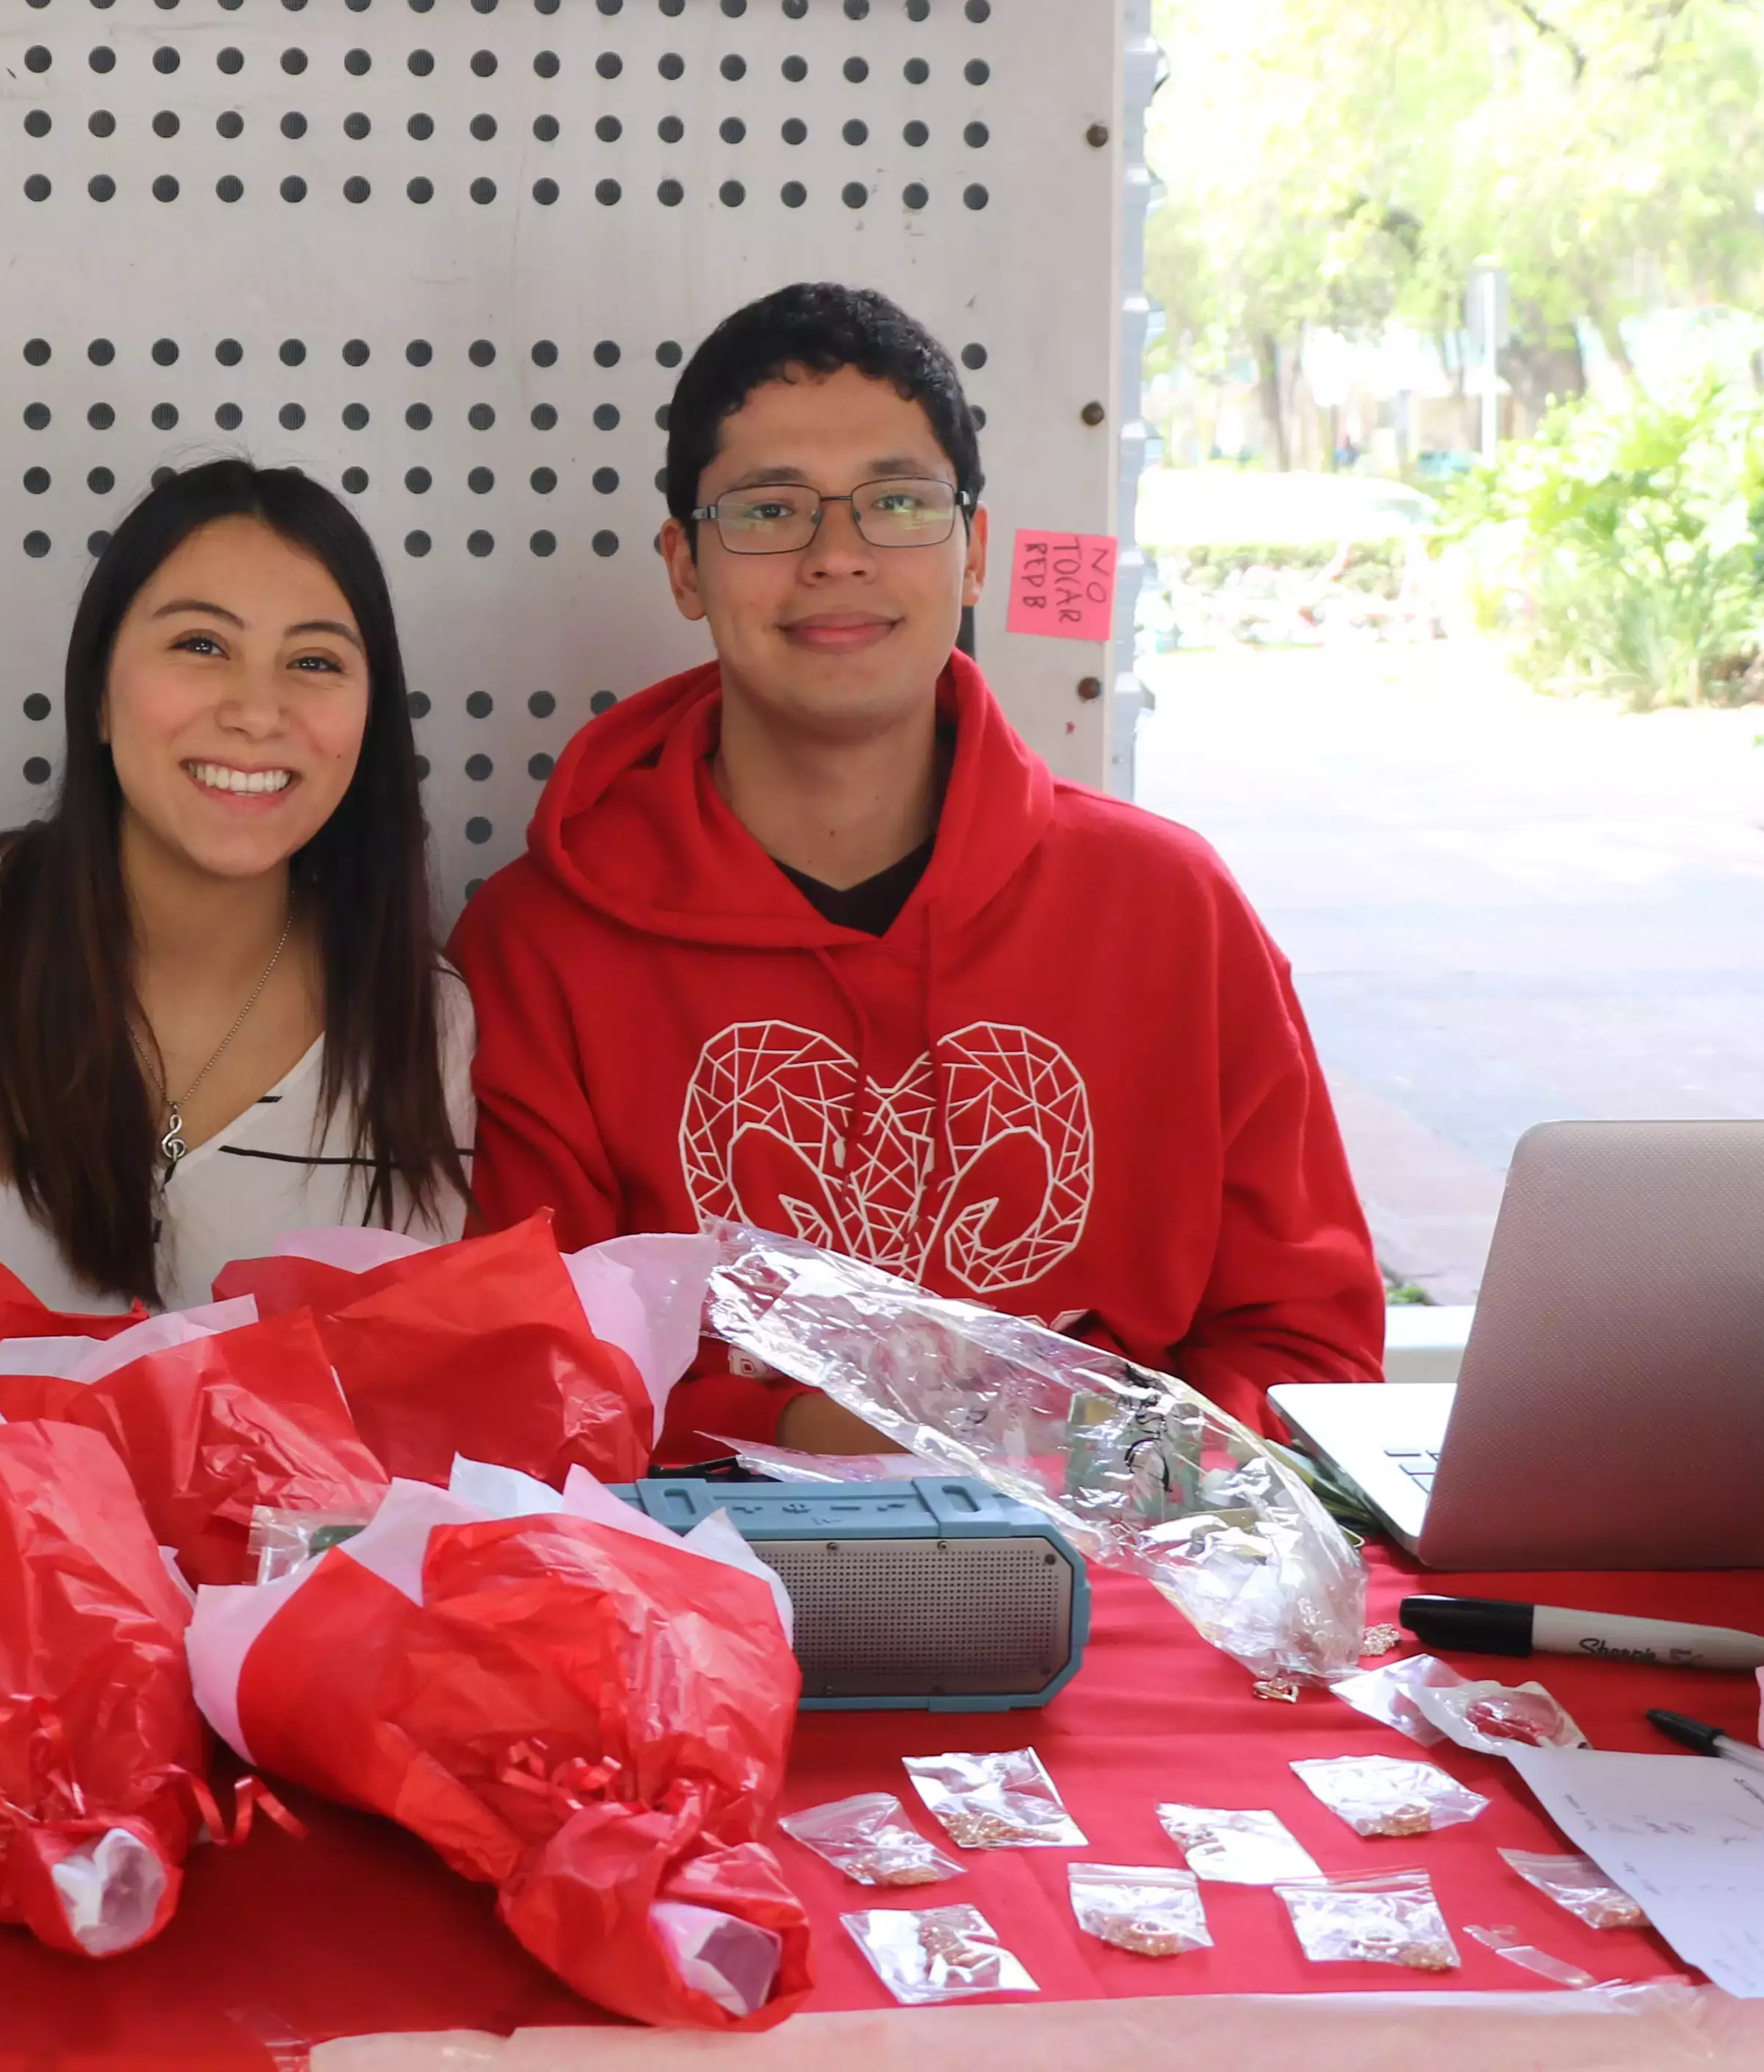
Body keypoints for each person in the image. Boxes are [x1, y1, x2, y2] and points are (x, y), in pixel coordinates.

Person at [456, 282, 1380, 1451]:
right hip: (702, 1606)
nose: (837, 556)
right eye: (768, 509)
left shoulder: (1174, 913)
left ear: (975, 551)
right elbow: (531, 1381)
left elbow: (1311, 1354)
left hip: (1126, 1605)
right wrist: (827, 1429)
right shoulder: (541, 947)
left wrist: (1088, 1462)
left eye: (898, 503)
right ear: (686, 568)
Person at [0, 459, 471, 1336]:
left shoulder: (419, 1010)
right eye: (201, 645)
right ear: (99, 695)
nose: (257, 711)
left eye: (314, 661)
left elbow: (396, 1413)